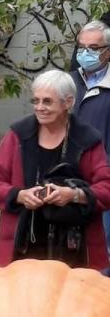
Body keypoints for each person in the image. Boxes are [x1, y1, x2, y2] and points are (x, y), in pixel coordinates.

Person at [0, 69, 110, 268]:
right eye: (36, 101)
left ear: (68, 102)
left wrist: (74, 195)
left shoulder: (87, 139)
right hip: (23, 245)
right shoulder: (18, 136)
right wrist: (20, 195)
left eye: (47, 101)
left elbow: (107, 188)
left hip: (76, 250)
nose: (40, 107)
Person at [71, 19, 110, 247]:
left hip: (104, 182)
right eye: (81, 47)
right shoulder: (68, 83)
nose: (85, 53)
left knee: (103, 248)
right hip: (70, 180)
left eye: (93, 48)